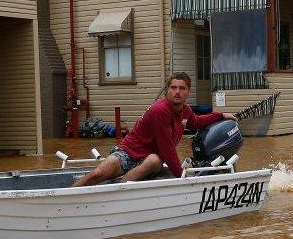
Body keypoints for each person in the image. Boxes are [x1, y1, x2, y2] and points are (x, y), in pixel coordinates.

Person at [72, 73, 236, 186]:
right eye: (173, 87)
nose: (177, 92)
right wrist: (182, 176)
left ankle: (118, 189)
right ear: (167, 91)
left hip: (151, 160)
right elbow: (168, 148)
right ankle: (72, 193)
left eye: (182, 88)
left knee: (154, 159)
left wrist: (221, 116)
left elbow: (197, 121)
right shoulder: (160, 111)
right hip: (128, 152)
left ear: (188, 92)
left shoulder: (185, 110)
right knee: (98, 173)